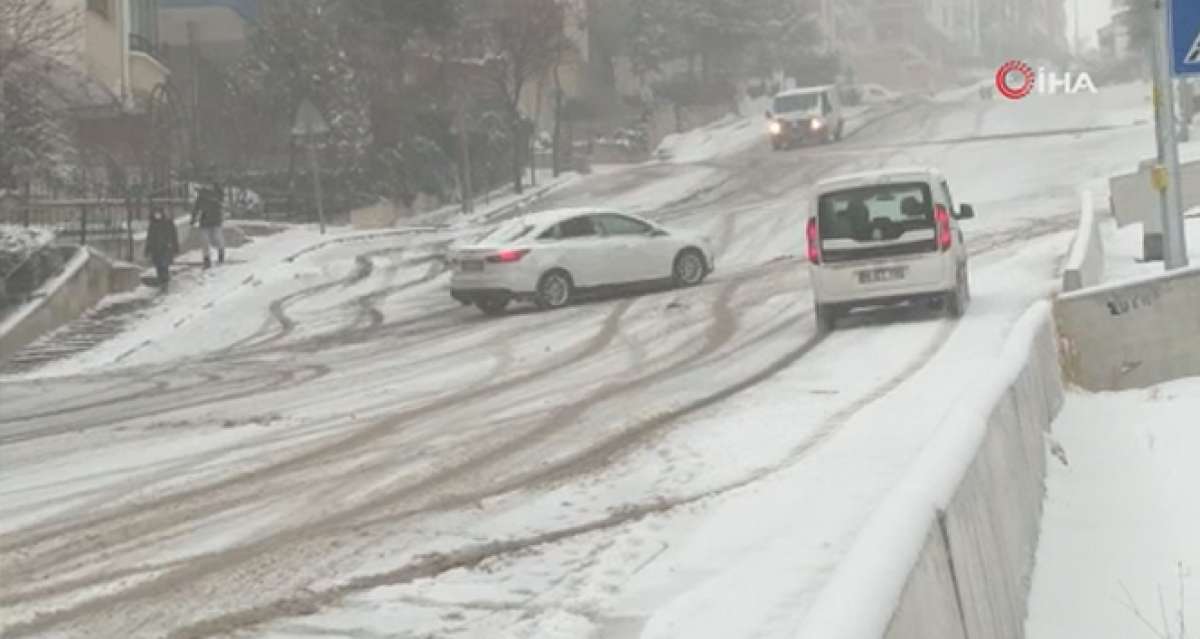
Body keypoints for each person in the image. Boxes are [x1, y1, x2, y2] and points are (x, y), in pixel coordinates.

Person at [191, 181, 226, 268]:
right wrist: (193, 218)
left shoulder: (218, 194)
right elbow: (196, 207)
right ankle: (206, 259)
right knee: (204, 241)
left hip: (216, 220)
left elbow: (221, 204)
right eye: (206, 184)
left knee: (217, 239)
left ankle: (221, 252)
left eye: (209, 184)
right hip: (204, 221)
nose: (208, 186)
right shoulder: (201, 196)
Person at [144, 207, 180, 291]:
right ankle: (162, 282)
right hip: (155, 249)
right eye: (156, 213)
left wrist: (175, 247)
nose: (157, 215)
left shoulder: (168, 223)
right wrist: (147, 250)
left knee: (164, 265)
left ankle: (165, 283)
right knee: (158, 266)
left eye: (158, 213)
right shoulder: (152, 225)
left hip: (166, 248)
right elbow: (149, 238)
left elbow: (174, 235)